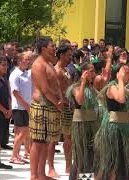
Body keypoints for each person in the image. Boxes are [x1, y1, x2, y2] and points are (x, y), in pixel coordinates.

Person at [94, 64, 129, 180]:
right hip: (113, 128)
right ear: (117, 74)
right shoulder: (112, 87)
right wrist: (120, 80)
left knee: (121, 161)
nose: (127, 74)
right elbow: (121, 99)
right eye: (125, 72)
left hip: (123, 127)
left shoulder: (122, 88)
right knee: (112, 160)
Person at [29, 37, 63, 180]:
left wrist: (60, 100)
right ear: (43, 48)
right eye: (52, 46)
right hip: (42, 106)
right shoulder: (38, 65)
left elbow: (55, 85)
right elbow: (45, 89)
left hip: (50, 107)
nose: (54, 48)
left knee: (46, 142)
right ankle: (34, 175)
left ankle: (42, 174)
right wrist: (58, 103)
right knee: (38, 142)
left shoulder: (48, 62)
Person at [67, 63, 99, 180]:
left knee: (90, 156)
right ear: (84, 72)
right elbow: (79, 102)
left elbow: (101, 99)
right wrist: (83, 82)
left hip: (92, 125)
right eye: (91, 71)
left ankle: (84, 178)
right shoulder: (75, 88)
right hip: (81, 125)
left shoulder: (91, 88)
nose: (94, 74)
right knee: (81, 156)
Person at [53, 44, 73, 175]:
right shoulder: (58, 70)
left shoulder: (65, 69)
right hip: (63, 107)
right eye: (69, 54)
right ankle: (56, 167)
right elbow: (58, 91)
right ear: (61, 55)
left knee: (69, 138)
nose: (71, 57)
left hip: (69, 105)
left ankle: (68, 166)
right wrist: (68, 103)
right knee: (59, 138)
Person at [9, 51, 32, 164]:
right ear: (19, 61)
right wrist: (27, 106)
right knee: (22, 132)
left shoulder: (26, 73)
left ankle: (17, 154)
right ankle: (13, 156)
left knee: (22, 132)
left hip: (25, 107)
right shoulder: (15, 74)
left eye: (29, 59)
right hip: (20, 107)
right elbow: (15, 92)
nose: (28, 61)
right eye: (25, 59)